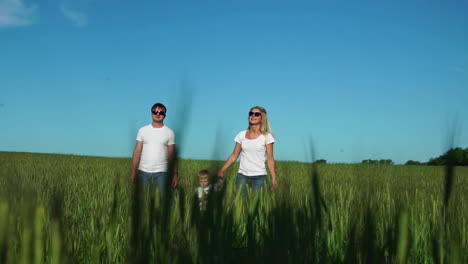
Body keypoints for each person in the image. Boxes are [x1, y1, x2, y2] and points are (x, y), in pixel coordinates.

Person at [218, 106, 278, 194]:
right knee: (242, 204)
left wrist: (274, 178)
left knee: (257, 205)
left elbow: (270, 158)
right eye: (251, 113)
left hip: (259, 177)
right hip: (242, 176)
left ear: (262, 119)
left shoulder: (267, 137)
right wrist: (222, 170)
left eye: (257, 114)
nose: (253, 116)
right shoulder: (241, 135)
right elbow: (234, 155)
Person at [130, 103, 178, 192]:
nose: (158, 114)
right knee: (143, 201)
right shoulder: (143, 130)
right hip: (143, 172)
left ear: (165, 116)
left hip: (162, 173)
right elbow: (137, 152)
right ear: (151, 113)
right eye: (155, 112)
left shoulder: (169, 132)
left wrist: (175, 174)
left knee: (162, 201)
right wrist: (133, 172)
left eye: (161, 112)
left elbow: (172, 155)